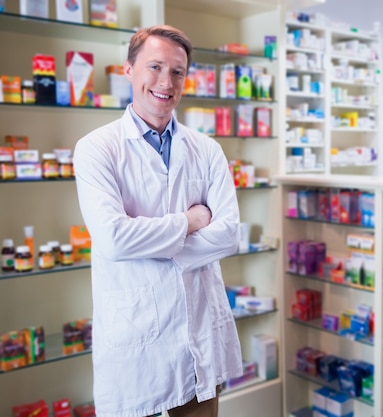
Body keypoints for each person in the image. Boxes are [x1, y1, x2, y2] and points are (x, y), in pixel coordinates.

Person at [73, 25, 242, 417]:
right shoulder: (96, 149)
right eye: (155, 67)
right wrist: (189, 220)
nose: (166, 82)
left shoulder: (207, 150)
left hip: (199, 336)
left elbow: (228, 235)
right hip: (136, 342)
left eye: (178, 72)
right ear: (128, 69)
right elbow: (113, 238)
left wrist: (151, 247)